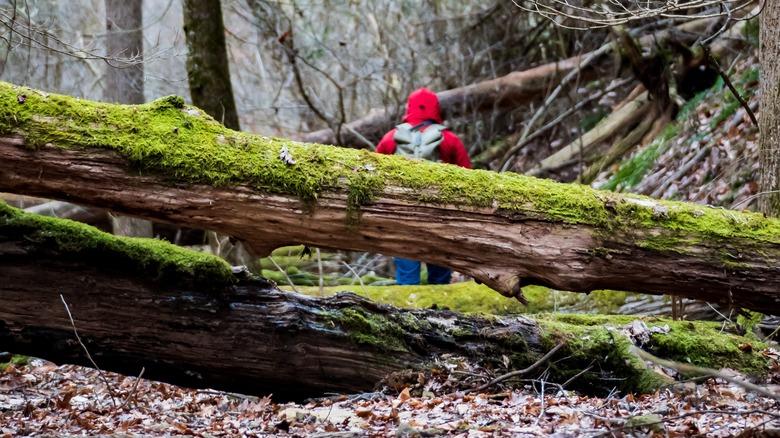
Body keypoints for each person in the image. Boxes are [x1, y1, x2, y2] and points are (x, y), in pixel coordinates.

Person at [376, 87, 471, 285]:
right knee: (440, 281)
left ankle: (406, 312)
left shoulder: (390, 139)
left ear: (409, 108)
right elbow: (470, 181)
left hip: (401, 220)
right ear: (436, 109)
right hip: (440, 220)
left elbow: (374, 178)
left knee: (407, 282)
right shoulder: (450, 140)